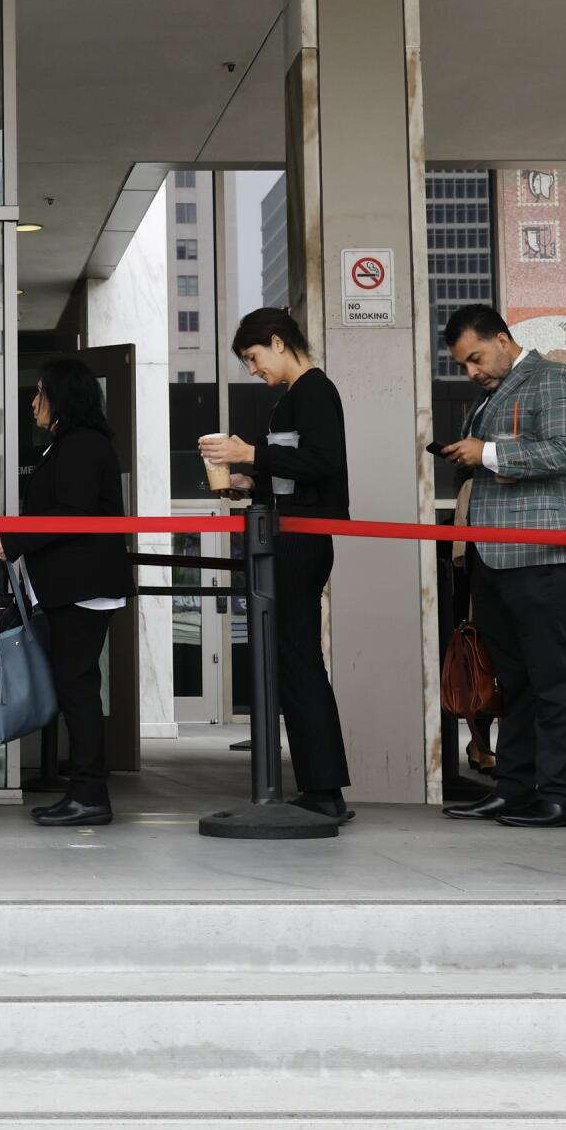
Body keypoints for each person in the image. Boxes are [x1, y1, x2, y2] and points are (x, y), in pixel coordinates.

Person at [437, 304, 566, 829]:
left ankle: (561, 798)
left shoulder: (552, 377)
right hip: (494, 556)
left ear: (504, 339)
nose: (471, 372)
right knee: (514, 683)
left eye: (475, 358)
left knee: (553, 681)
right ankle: (514, 789)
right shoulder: (487, 397)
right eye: (462, 365)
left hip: (543, 554)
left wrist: (488, 454)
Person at [198, 307, 354, 823]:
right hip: (290, 537)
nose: (253, 369)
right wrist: (249, 481)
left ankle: (324, 789)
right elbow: (296, 473)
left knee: (298, 661)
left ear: (278, 342)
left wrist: (252, 453)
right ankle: (321, 786)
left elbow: (324, 461)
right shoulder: (295, 398)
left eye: (253, 357)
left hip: (300, 542)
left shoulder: (313, 391)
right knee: (294, 661)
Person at [0, 357, 132, 828]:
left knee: (77, 688)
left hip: (83, 588)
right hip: (73, 586)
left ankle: (90, 793)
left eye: (40, 392)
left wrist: (14, 541)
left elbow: (73, 513)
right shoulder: (69, 444)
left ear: (61, 395)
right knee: (76, 685)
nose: (33, 402)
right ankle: (85, 789)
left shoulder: (82, 445)